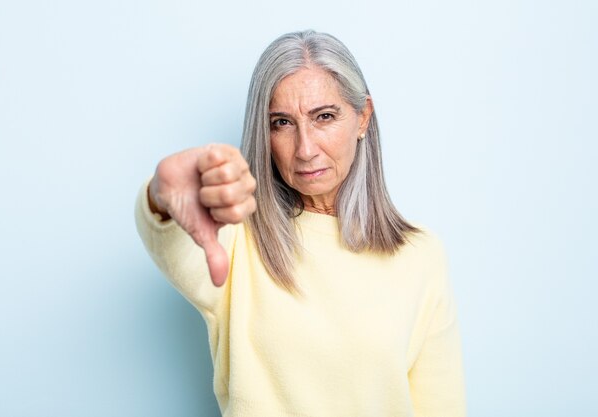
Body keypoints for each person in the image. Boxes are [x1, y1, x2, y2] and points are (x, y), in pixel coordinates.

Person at [135, 30, 465, 417]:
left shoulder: (420, 255)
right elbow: (173, 236)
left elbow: (441, 407)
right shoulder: (237, 236)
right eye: (282, 123)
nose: (306, 149)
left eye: (324, 116)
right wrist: (161, 194)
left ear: (362, 118)